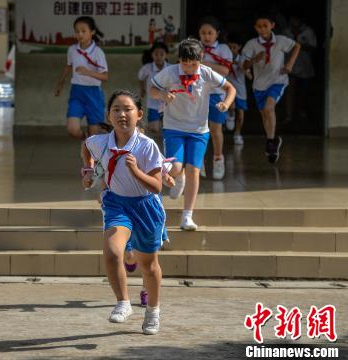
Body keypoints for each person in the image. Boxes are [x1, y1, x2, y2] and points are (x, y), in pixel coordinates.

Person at [81, 89, 166, 335]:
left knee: (148, 266)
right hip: (117, 204)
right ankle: (123, 302)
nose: (122, 114)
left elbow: (157, 185)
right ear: (108, 115)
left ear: (139, 114)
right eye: (116, 109)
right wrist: (88, 170)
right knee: (112, 252)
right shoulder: (100, 141)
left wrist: (136, 171)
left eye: (128, 109)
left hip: (146, 207)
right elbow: (85, 147)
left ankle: (153, 311)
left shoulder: (146, 146)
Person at [150, 38, 236, 230]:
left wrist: (225, 104)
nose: (188, 68)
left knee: (194, 170)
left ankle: (187, 216)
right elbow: (153, 89)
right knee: (174, 167)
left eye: (193, 64)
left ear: (201, 59)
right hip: (174, 127)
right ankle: (178, 176)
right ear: (179, 59)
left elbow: (231, 88)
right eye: (184, 63)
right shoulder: (170, 72)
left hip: (198, 130)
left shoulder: (206, 73)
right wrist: (163, 95)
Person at [242, 13, 301, 163]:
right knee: (264, 115)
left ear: (272, 25)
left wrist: (289, 64)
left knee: (269, 108)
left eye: (265, 26)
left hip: (278, 80)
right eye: (259, 26)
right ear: (255, 28)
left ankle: (269, 142)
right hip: (259, 84)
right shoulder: (251, 44)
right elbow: (244, 65)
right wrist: (255, 59)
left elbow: (296, 46)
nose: (262, 29)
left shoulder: (281, 41)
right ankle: (273, 140)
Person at [55, 16, 108, 140]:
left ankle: (92, 147)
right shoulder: (72, 50)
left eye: (83, 31)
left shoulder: (98, 52)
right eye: (77, 31)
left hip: (94, 93)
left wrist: (87, 72)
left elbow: (105, 77)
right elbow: (68, 66)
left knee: (94, 133)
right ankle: (86, 141)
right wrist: (60, 83)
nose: (80, 34)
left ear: (92, 32)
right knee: (72, 129)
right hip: (77, 92)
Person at [199, 16, 233, 180]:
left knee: (215, 129)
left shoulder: (224, 49)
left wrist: (204, 63)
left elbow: (225, 71)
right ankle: (199, 162)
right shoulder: (195, 47)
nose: (206, 36)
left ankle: (218, 158)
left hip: (217, 94)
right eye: (203, 33)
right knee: (198, 129)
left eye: (210, 33)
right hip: (198, 95)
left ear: (217, 34)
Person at [283, 15, 317, 124]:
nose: (294, 21)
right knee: (290, 92)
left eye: (296, 19)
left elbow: (314, 47)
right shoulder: (286, 32)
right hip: (290, 66)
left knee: (303, 92)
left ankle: (302, 112)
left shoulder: (308, 31)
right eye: (292, 19)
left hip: (305, 66)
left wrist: (301, 47)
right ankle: (289, 116)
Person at [138, 42, 170, 135]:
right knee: (154, 129)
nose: (159, 56)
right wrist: (142, 89)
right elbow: (141, 78)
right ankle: (144, 125)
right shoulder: (146, 68)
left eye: (161, 54)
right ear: (152, 55)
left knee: (167, 128)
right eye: (156, 54)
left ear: (166, 55)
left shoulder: (170, 68)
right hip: (153, 103)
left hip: (167, 103)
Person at [226, 33, 252, 146]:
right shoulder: (223, 58)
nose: (231, 50)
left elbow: (250, 77)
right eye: (229, 47)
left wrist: (243, 68)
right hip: (226, 89)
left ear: (239, 47)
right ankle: (230, 114)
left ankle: (237, 134)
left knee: (241, 115)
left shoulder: (242, 60)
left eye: (234, 47)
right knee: (231, 105)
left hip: (240, 90)